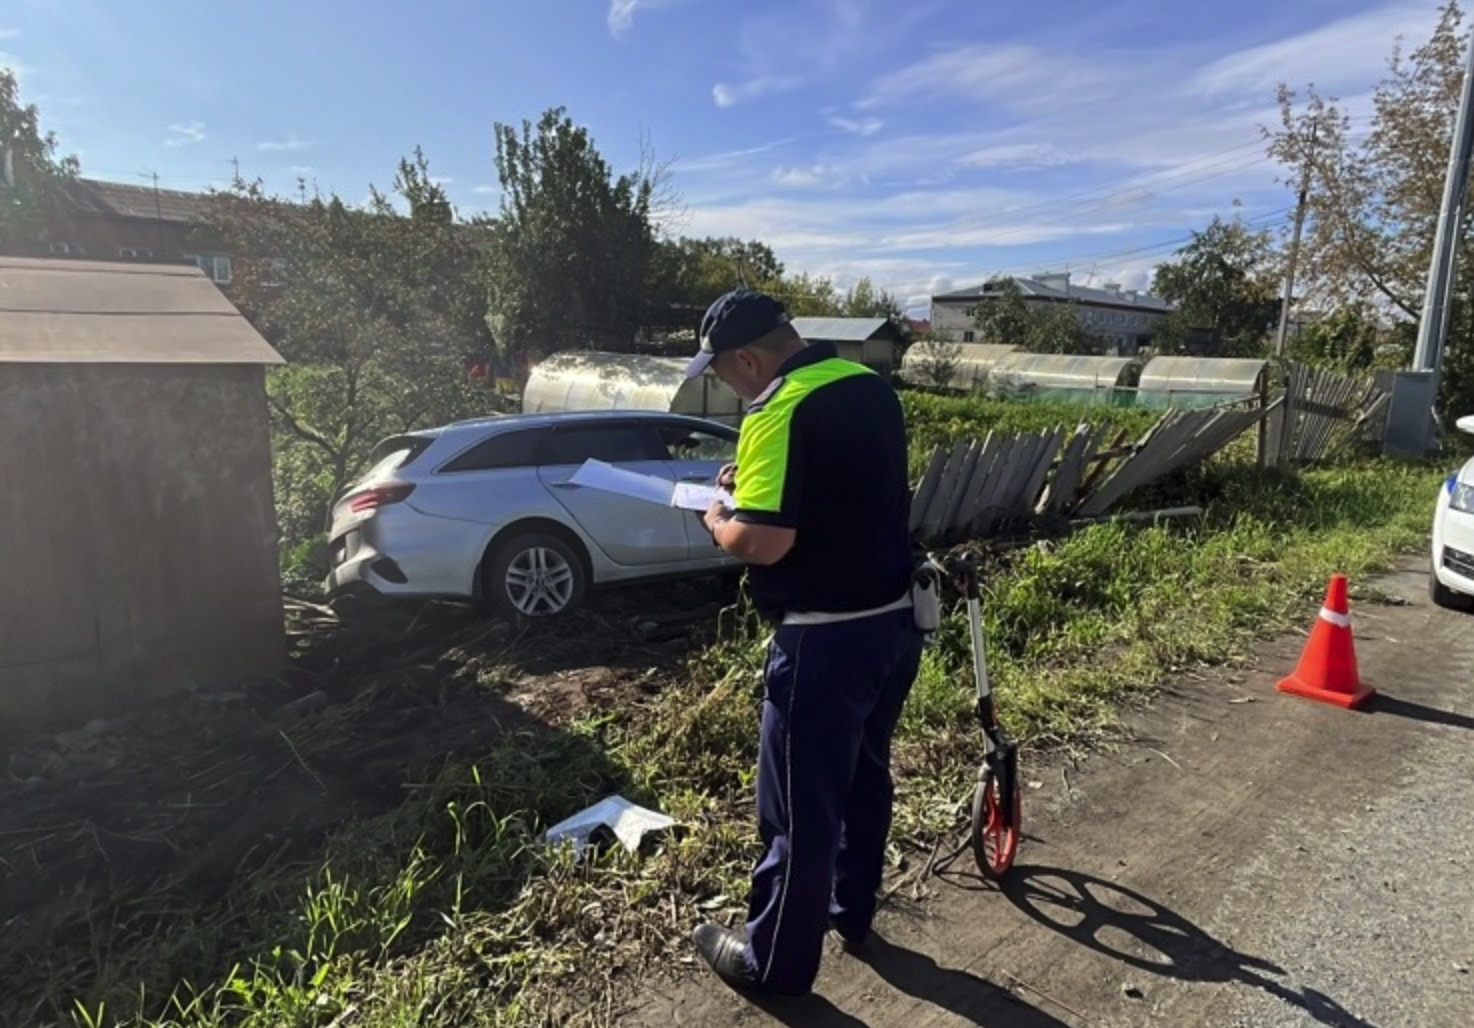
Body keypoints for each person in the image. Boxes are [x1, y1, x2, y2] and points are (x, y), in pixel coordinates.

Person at [684, 288, 924, 998]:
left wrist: (718, 517)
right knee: (866, 773)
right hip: (894, 622)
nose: (727, 386)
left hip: (824, 641)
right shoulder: (866, 385)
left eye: (723, 373)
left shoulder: (777, 406)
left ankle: (775, 966)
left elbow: (762, 541)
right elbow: (840, 488)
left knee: (797, 807)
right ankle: (853, 912)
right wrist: (750, 484)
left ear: (749, 358)